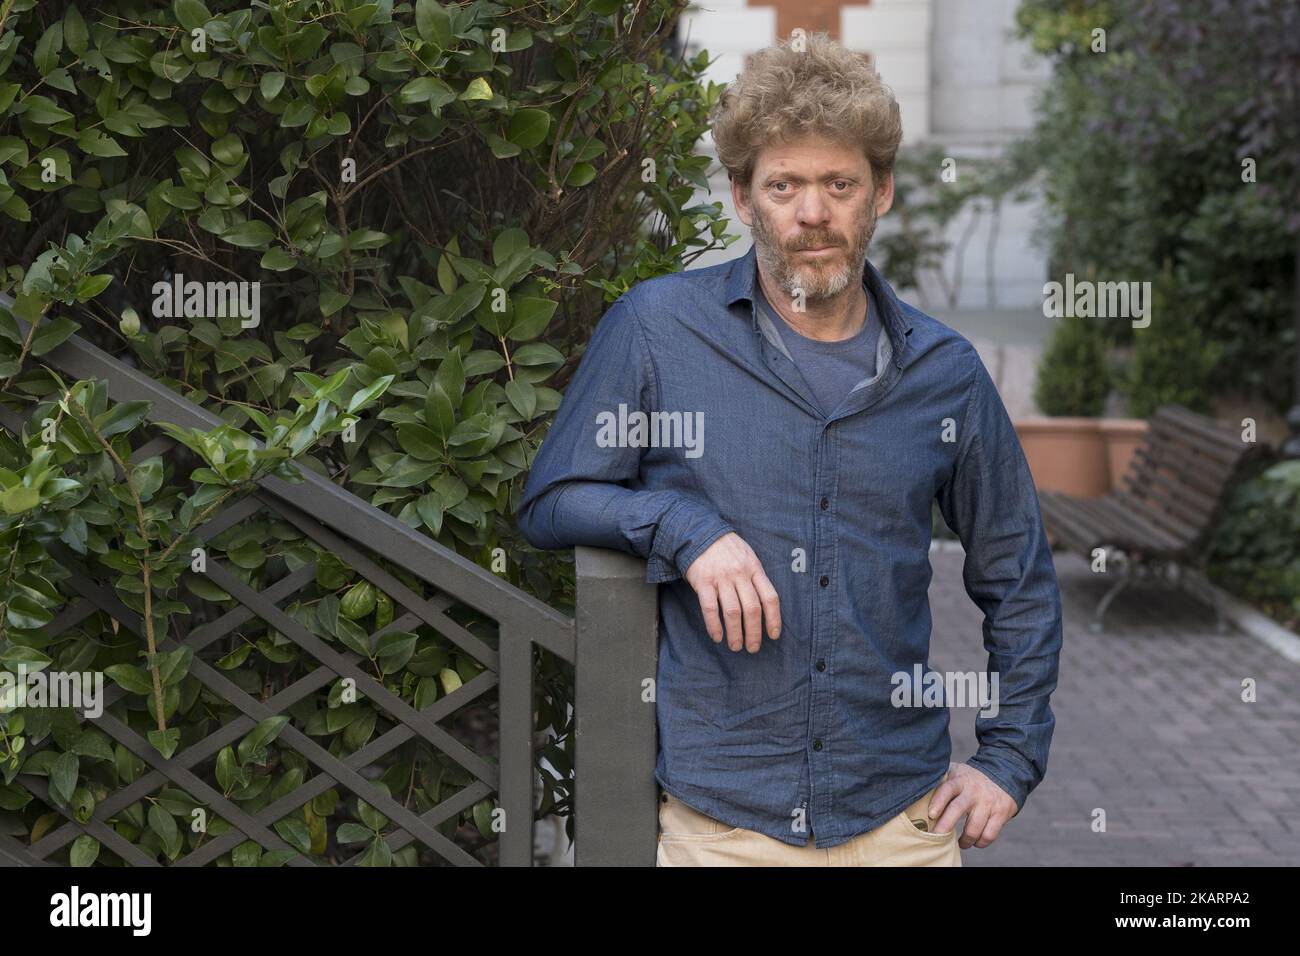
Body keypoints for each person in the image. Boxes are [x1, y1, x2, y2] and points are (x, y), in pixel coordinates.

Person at [515, 32, 1063, 866]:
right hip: (721, 827)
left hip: (899, 826)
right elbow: (551, 500)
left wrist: (1009, 758)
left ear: (880, 191)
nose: (813, 214)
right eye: (785, 186)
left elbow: (1017, 576)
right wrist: (683, 528)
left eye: (839, 184)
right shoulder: (658, 331)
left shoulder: (945, 372)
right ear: (742, 197)